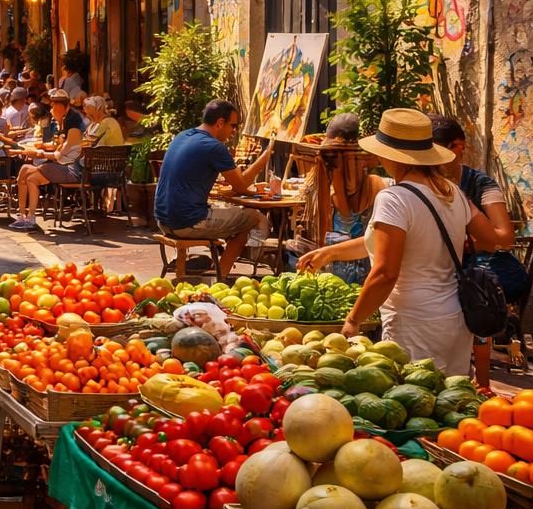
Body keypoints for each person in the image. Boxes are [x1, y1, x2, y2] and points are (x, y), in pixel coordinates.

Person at [337, 109, 506, 375]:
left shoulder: (394, 198)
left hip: (413, 322)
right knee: (452, 404)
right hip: (455, 318)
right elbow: (491, 239)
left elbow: (385, 273)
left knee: (415, 407)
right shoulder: (454, 193)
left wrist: (353, 319)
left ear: (390, 154)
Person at [152, 100, 274, 275]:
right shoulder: (214, 147)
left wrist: (247, 190)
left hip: (163, 220)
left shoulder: (183, 136)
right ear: (220, 123)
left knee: (235, 217)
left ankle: (217, 268)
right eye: (233, 125)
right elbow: (240, 186)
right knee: (253, 218)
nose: (234, 131)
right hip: (186, 221)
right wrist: (266, 155)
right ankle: (221, 276)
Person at [432, 116, 523, 297]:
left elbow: (505, 239)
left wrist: (466, 244)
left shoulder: (481, 184)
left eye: (437, 153)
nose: (433, 161)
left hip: (478, 267)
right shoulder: (422, 184)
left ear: (458, 147)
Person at [291, 114, 387, 283]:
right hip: (343, 264)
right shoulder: (331, 179)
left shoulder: (371, 184)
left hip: (357, 265)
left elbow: (350, 222)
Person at [10, 90, 85, 232]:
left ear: (62, 108)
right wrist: (43, 148)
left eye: (53, 107)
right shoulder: (64, 123)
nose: (50, 110)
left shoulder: (73, 127)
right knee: (26, 172)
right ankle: (24, 216)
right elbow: (59, 147)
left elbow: (59, 154)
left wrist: (39, 153)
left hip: (70, 170)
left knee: (28, 172)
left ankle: (27, 217)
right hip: (63, 165)